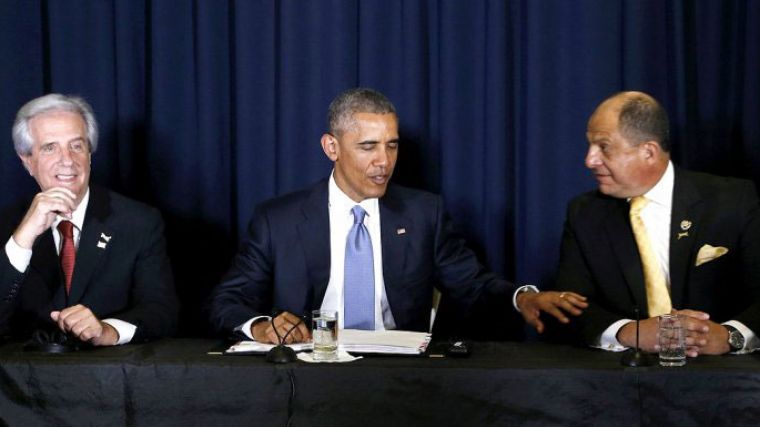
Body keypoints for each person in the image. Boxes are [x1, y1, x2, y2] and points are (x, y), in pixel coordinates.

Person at [209, 87, 586, 343]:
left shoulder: (424, 214)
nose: (383, 162)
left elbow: (473, 286)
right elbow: (227, 302)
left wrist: (523, 298)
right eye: (368, 147)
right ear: (331, 147)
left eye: (392, 146)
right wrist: (262, 328)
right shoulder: (279, 219)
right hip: (307, 375)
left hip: (402, 378)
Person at [555, 91, 760, 355]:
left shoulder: (733, 200)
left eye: (603, 147)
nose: (589, 160)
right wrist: (631, 332)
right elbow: (570, 306)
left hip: (728, 380)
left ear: (649, 152)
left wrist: (731, 336)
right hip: (622, 380)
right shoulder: (584, 213)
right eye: (590, 146)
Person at [0, 94, 178, 346]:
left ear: (90, 154)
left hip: (110, 378)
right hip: (22, 380)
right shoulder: (6, 226)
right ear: (27, 160)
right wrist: (23, 239)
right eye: (50, 147)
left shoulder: (139, 221)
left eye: (76, 145)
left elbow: (163, 311)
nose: (67, 160)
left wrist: (108, 331)